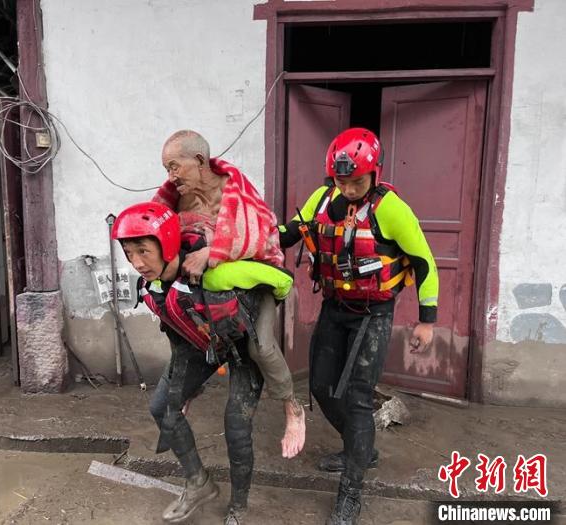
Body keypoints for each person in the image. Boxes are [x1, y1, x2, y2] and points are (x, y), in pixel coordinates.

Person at [278, 128, 439, 525]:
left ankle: (350, 493)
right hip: (335, 307)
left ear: (374, 173)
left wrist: (427, 320)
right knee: (320, 386)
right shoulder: (322, 198)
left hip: (374, 313)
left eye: (357, 182)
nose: (348, 189)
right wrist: (247, 239)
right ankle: (361, 449)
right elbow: (288, 233)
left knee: (358, 398)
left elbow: (424, 263)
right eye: (341, 181)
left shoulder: (391, 209)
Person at [112, 202, 291, 525]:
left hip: (243, 346)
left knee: (236, 427)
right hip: (204, 346)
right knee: (163, 408)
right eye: (129, 253)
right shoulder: (152, 285)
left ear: (167, 245)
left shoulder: (216, 274)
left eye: (143, 251)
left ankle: (238, 506)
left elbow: (281, 278)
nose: (137, 263)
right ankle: (199, 483)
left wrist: (269, 313)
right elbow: (175, 328)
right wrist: (185, 389)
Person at [153, 129, 306, 460]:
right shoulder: (175, 200)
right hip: (207, 289)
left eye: (174, 166)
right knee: (181, 328)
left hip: (254, 282)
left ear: (199, 160)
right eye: (166, 169)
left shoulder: (235, 189)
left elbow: (260, 236)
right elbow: (160, 238)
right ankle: (188, 390)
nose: (170, 176)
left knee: (260, 346)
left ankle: (292, 406)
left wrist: (213, 253)